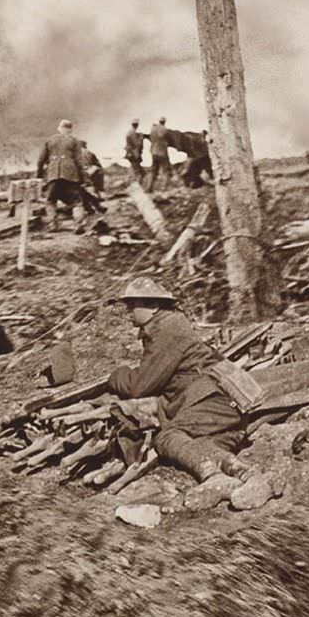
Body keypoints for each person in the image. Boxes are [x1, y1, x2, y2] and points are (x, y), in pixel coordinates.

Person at [106, 278, 254, 482]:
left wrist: (117, 375)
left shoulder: (168, 330)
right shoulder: (164, 326)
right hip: (220, 402)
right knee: (206, 444)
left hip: (214, 399)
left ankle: (212, 475)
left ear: (154, 306)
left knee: (167, 437)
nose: (128, 311)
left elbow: (138, 386)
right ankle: (239, 473)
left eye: (133, 305)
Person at [36, 119, 88, 232]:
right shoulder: (74, 141)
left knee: (50, 201)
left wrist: (39, 176)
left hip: (53, 174)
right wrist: (84, 178)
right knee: (77, 202)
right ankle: (78, 224)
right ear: (70, 130)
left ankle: (53, 224)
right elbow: (79, 161)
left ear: (59, 128)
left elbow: (40, 160)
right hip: (70, 175)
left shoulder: (50, 140)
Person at [147, 117, 173, 192]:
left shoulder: (153, 129)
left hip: (153, 152)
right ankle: (164, 188)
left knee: (153, 170)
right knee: (166, 171)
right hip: (162, 153)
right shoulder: (165, 129)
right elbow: (167, 139)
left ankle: (149, 188)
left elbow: (151, 137)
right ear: (164, 122)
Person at [124, 120, 146, 184]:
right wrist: (141, 138)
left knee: (136, 170)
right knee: (138, 172)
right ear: (137, 125)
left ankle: (132, 183)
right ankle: (137, 186)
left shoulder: (130, 132)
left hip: (130, 154)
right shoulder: (132, 133)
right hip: (133, 154)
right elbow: (136, 144)